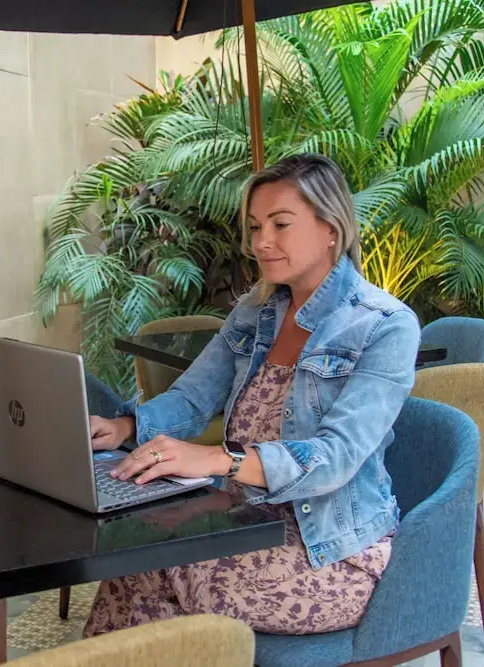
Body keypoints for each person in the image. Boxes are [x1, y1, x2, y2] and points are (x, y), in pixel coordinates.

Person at [82, 153, 421, 637]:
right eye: (256, 226)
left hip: (328, 551)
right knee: (137, 565)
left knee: (164, 576)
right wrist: (126, 427)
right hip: (241, 522)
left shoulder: (385, 326)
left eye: (281, 224)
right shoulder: (254, 311)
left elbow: (337, 457)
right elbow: (193, 397)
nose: (261, 242)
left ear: (331, 228)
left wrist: (220, 459)